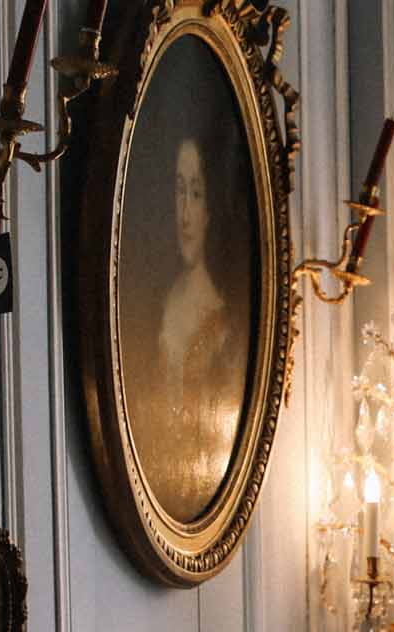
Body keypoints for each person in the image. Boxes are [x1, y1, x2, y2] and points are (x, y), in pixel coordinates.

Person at [139, 134, 244, 523]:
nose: (184, 213)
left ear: (211, 208)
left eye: (196, 194)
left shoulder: (226, 322)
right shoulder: (156, 305)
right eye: (179, 191)